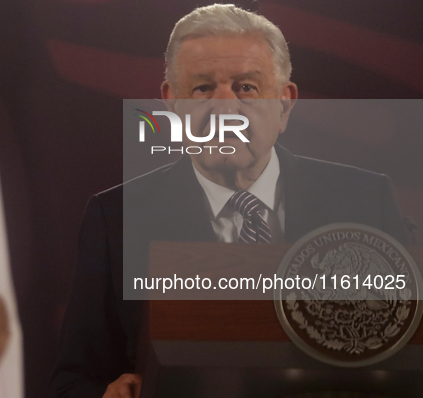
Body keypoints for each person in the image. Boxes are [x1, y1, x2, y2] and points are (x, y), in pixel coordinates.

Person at [50, 4, 410, 398]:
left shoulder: (364, 201)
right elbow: (70, 383)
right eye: (203, 87)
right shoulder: (114, 220)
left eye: (246, 87)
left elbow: (408, 354)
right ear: (172, 103)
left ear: (285, 104)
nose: (225, 107)